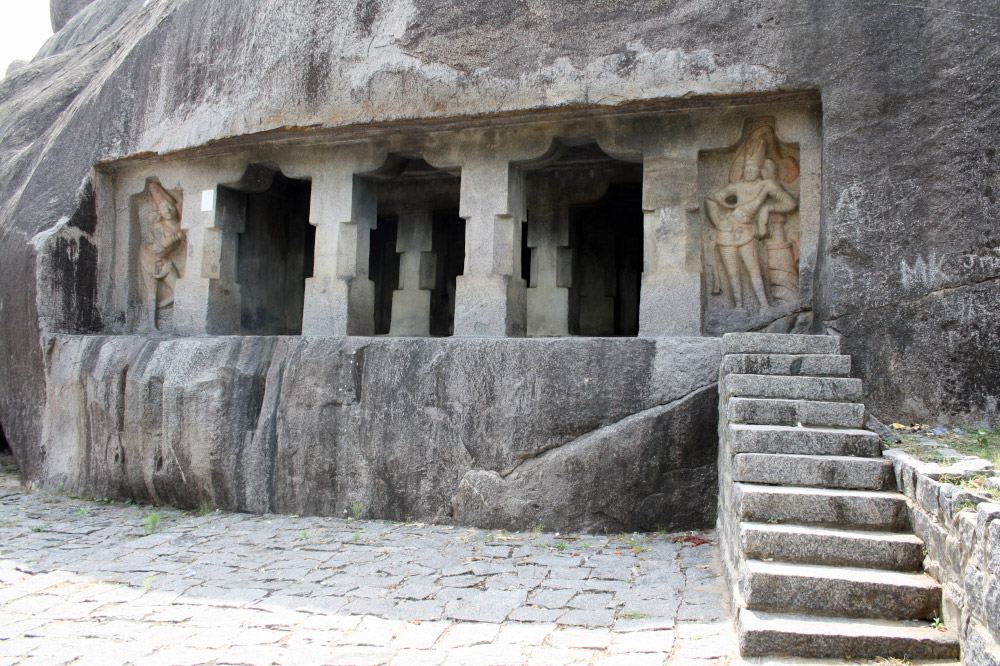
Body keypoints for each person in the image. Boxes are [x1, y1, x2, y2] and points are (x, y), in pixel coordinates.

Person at [705, 135, 797, 310]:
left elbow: (790, 203)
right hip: (726, 232)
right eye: (747, 167)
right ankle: (739, 306)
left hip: (746, 230)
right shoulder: (736, 187)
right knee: (733, 273)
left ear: (761, 167)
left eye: (753, 167)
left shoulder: (766, 185)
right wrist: (718, 221)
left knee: (754, 270)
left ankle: (764, 305)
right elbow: (711, 198)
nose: (749, 171)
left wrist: (767, 209)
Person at [139, 183, 185, 325]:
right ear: (160, 212)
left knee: (179, 290)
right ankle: (151, 325)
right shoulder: (159, 226)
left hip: (164, 261)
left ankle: (178, 320)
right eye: (164, 208)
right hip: (150, 257)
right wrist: (177, 237)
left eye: (169, 207)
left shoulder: (181, 224)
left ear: (175, 207)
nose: (167, 210)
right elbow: (163, 243)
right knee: (151, 293)